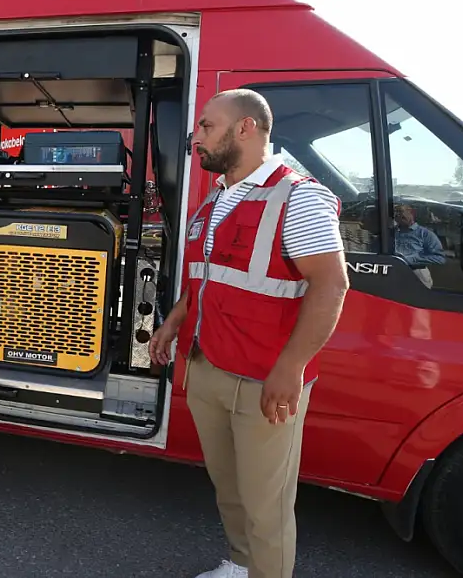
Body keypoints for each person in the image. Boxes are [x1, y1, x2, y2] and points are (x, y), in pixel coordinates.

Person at [149, 90, 349, 578]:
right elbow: (206, 280)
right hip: (208, 367)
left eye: (207, 127)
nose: (196, 137)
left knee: (267, 507)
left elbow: (332, 284)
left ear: (246, 129)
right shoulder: (217, 200)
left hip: (265, 381)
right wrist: (173, 324)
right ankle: (240, 567)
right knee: (231, 489)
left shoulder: (298, 197)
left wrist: (291, 368)